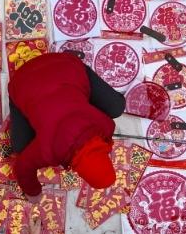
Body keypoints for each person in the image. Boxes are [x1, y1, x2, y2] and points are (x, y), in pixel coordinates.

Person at [8, 52, 126, 202]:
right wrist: (33, 193)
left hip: (63, 64)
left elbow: (103, 128)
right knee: (21, 149)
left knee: (116, 107)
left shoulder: (106, 126)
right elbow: (22, 166)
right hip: (22, 80)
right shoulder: (49, 151)